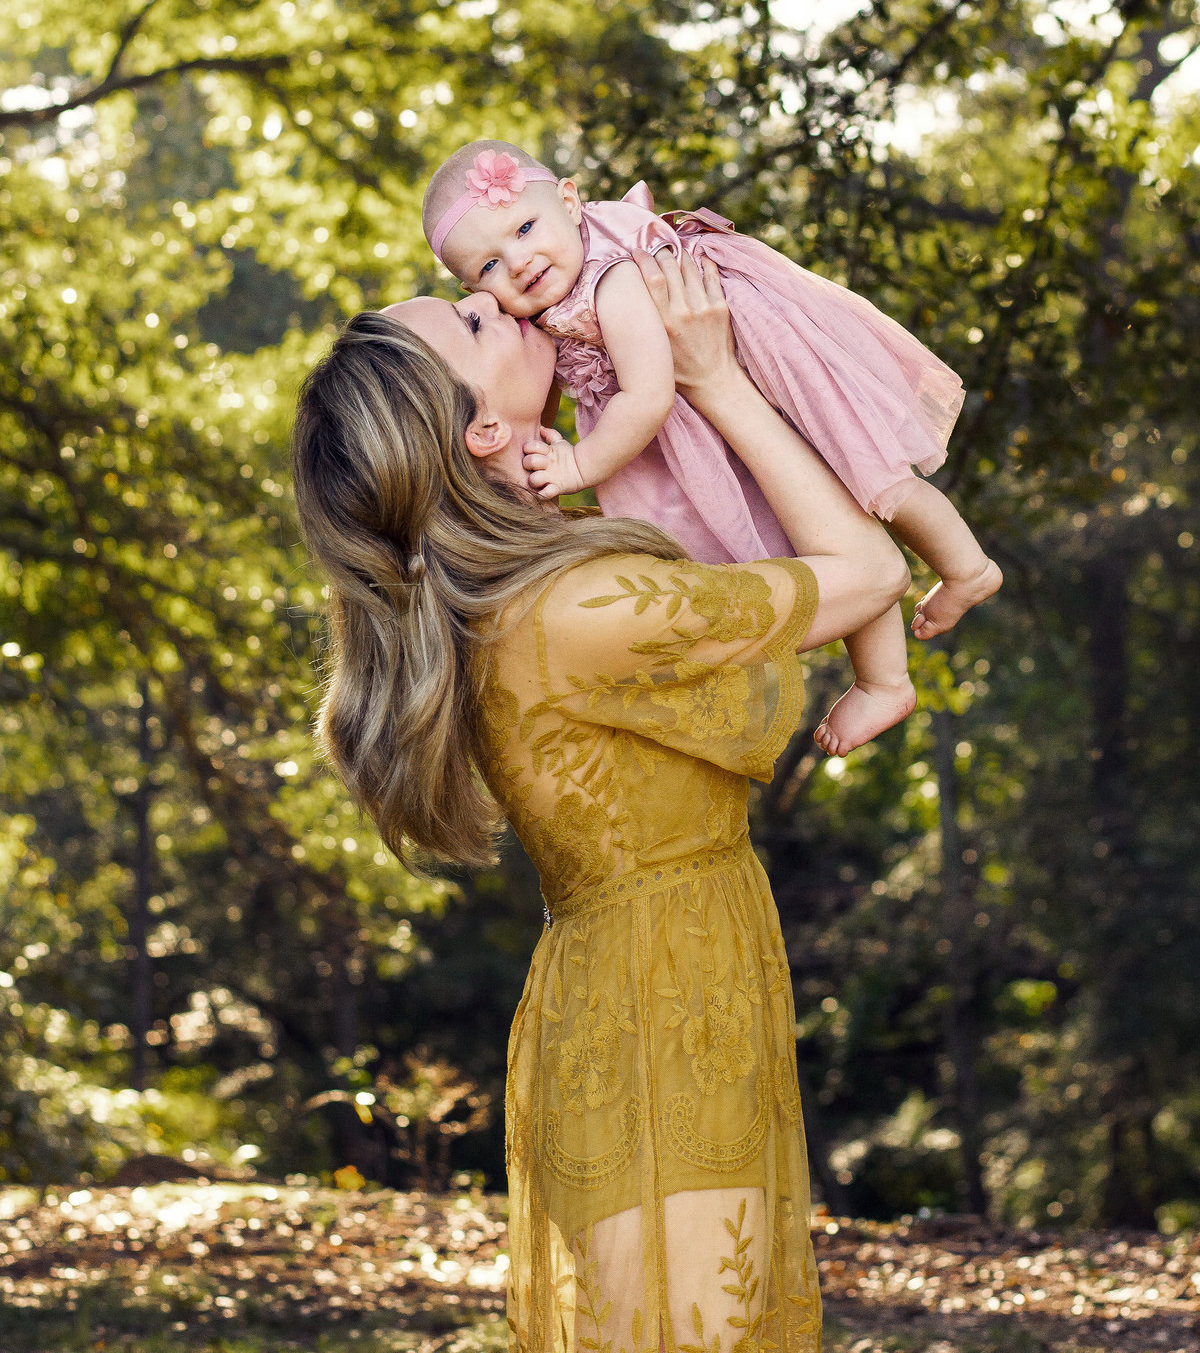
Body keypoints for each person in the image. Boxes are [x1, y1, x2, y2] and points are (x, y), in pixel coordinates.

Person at [291, 248, 910, 1353]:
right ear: (482, 432)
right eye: (476, 323)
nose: (502, 300)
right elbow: (867, 571)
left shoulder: (529, 586)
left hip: (653, 980)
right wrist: (713, 377)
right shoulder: (577, 604)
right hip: (656, 1007)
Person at [422, 142, 1001, 758]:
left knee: (874, 483)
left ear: (569, 199)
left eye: (526, 228)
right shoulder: (551, 295)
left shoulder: (610, 280)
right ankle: (886, 678)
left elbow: (647, 396)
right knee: (828, 520)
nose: (517, 264)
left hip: (757, 368)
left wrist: (580, 464)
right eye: (487, 267)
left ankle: (963, 571)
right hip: (711, 399)